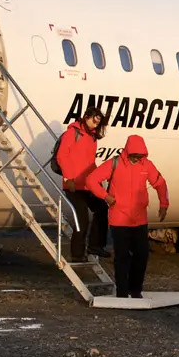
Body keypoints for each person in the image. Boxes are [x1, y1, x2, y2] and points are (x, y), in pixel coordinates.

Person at [85, 134, 168, 299]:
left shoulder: (147, 165)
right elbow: (91, 180)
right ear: (128, 152)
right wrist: (105, 195)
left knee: (142, 254)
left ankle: (135, 289)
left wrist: (164, 204)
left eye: (140, 156)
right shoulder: (115, 163)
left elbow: (160, 183)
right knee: (122, 256)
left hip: (139, 218)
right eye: (134, 156)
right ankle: (122, 291)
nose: (137, 159)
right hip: (119, 218)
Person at [56, 104, 109, 261]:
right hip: (73, 185)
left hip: (88, 185)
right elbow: (62, 156)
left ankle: (95, 246)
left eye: (98, 122)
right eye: (94, 121)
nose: (96, 124)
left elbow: (90, 162)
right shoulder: (72, 133)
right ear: (86, 117)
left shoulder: (92, 137)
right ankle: (77, 254)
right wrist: (68, 178)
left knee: (101, 209)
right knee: (82, 219)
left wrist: (100, 177)